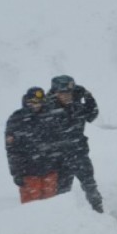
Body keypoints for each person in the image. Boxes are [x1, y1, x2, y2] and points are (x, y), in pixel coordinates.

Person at [48, 74, 103, 212]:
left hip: (79, 153)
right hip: (59, 157)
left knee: (90, 186)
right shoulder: (47, 109)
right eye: (63, 93)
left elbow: (91, 115)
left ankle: (99, 213)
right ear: (55, 93)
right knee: (62, 192)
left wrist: (89, 98)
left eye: (69, 93)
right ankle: (64, 217)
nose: (67, 96)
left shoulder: (76, 106)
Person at [5, 87, 60, 203]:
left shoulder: (50, 116)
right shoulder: (16, 119)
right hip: (28, 173)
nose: (36, 105)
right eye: (33, 102)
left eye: (39, 102)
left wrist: (58, 164)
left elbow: (57, 143)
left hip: (50, 171)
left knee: (52, 205)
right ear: (27, 101)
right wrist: (16, 173)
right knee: (31, 208)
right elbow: (12, 150)